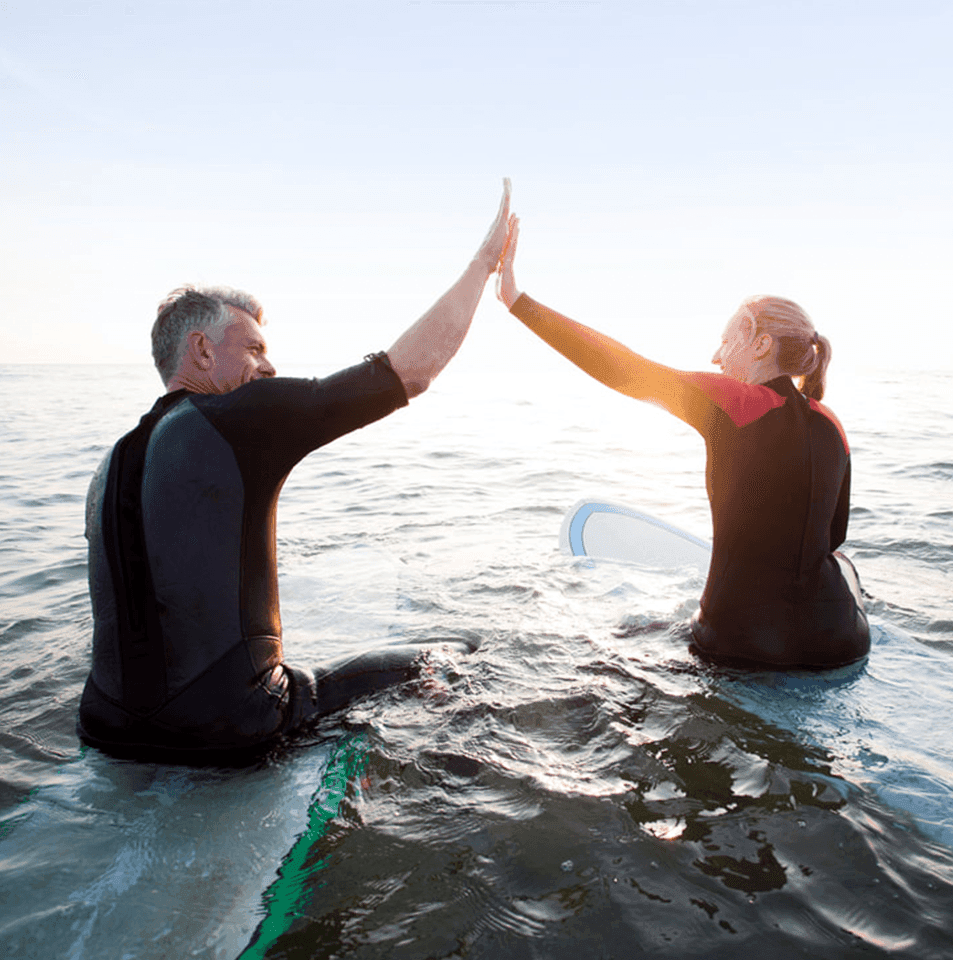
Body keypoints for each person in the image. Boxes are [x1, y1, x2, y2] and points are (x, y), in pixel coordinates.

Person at [78, 180, 512, 762]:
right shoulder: (236, 416)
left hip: (105, 728)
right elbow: (409, 372)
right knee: (459, 650)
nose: (269, 363)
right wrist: (483, 265)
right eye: (253, 347)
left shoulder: (110, 463)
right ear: (203, 352)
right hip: (233, 725)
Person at [496, 213, 870, 669]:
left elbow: (623, 369)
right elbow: (835, 536)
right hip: (839, 644)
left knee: (639, 635)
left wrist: (517, 301)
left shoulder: (735, 402)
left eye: (727, 340)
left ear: (761, 345)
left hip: (738, 644)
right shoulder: (833, 423)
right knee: (845, 568)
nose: (715, 356)